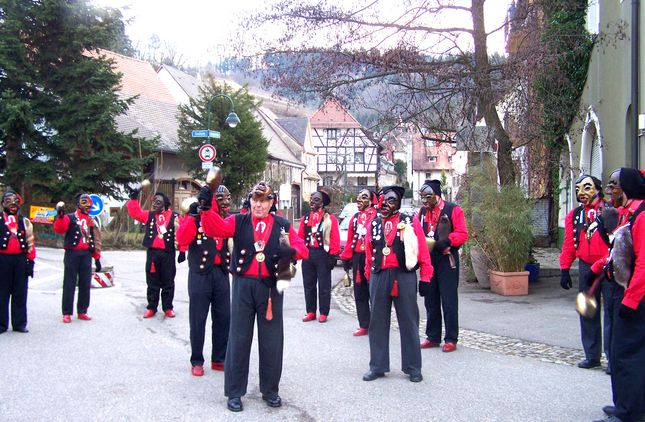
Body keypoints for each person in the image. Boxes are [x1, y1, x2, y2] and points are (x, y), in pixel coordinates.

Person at [200, 181, 308, 412]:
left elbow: (302, 248)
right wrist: (206, 208)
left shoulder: (282, 224)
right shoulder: (238, 221)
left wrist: (291, 251)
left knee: (272, 341)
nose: (258, 205)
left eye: (263, 201)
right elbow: (214, 229)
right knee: (238, 339)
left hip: (271, 288)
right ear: (250, 201)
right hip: (243, 285)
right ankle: (234, 392)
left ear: (271, 202)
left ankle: (270, 390)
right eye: (255, 200)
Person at [362, 185, 433, 383]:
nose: (385, 204)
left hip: (403, 276)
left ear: (399, 203)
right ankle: (377, 366)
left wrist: (426, 276)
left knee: (409, 321)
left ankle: (413, 367)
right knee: (377, 322)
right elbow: (368, 251)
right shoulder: (374, 223)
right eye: (383, 201)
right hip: (379, 275)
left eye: (391, 200)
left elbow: (422, 250)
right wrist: (369, 277)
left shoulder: (410, 221)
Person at [594, 168, 645, 422]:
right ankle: (624, 404)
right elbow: (618, 253)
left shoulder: (641, 216)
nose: (609, 190)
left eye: (613, 185)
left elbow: (643, 263)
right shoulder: (628, 213)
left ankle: (629, 412)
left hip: (635, 296)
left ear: (626, 188)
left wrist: (631, 300)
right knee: (619, 352)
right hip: (622, 291)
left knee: (627, 354)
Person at [176, 185, 232, 377]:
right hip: (199, 274)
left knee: (223, 318)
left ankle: (219, 358)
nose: (226, 202)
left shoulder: (228, 219)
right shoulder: (197, 217)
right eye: (221, 198)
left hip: (221, 272)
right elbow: (182, 238)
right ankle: (197, 360)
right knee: (198, 319)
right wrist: (191, 218)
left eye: (228, 198)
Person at [560, 174, 612, 369]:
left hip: (609, 265)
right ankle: (592, 355)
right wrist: (565, 268)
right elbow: (569, 243)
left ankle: (612, 358)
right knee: (587, 309)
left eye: (587, 188)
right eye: (578, 189)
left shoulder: (610, 211)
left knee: (611, 312)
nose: (581, 193)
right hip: (585, 265)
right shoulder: (575, 215)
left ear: (598, 189)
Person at [416, 179, 468, 352]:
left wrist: (447, 241)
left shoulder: (453, 210)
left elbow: (462, 233)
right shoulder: (422, 212)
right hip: (428, 261)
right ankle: (433, 336)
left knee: (449, 300)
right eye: (422, 197)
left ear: (436, 195)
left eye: (427, 197)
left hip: (446, 259)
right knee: (430, 300)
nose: (424, 201)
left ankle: (451, 338)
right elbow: (416, 231)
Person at [127, 189, 179, 318]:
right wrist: (133, 199)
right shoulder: (149, 215)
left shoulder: (175, 216)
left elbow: (182, 231)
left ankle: (168, 307)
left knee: (168, 281)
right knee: (152, 282)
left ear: (165, 204)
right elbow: (135, 213)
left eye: (158, 202)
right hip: (153, 253)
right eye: (154, 202)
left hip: (168, 253)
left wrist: (183, 250)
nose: (154, 204)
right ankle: (151, 307)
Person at [53, 193, 101, 323]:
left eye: (89, 204)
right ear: (78, 204)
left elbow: (96, 239)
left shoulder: (91, 220)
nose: (88, 206)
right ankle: (67, 312)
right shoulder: (70, 217)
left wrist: (97, 257)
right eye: (85, 203)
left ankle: (82, 311)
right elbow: (59, 229)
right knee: (69, 283)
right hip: (72, 254)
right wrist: (60, 217)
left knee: (85, 284)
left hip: (86, 254)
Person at [297, 190, 340, 323]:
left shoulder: (329, 218)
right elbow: (299, 238)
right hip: (308, 254)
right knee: (308, 284)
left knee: (324, 285)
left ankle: (323, 312)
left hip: (323, 254)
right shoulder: (305, 218)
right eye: (311, 199)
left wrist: (332, 255)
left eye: (316, 200)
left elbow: (335, 238)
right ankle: (310, 311)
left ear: (322, 203)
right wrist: (296, 253)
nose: (312, 202)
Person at [340, 188, 378, 336]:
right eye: (358, 196)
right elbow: (350, 240)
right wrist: (346, 257)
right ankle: (364, 324)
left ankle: (377, 324)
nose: (359, 199)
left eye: (364, 197)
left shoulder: (377, 217)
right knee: (359, 292)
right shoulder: (355, 218)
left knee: (374, 292)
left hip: (373, 258)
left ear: (371, 201)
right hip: (358, 258)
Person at [0, 191, 36, 333]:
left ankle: (19, 323)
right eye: (9, 201)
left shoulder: (25, 221)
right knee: (1, 292)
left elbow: (30, 241)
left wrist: (30, 260)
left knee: (20, 292)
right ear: (3, 204)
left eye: (15, 201)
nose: (13, 204)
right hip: (2, 259)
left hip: (20, 259)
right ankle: (1, 324)